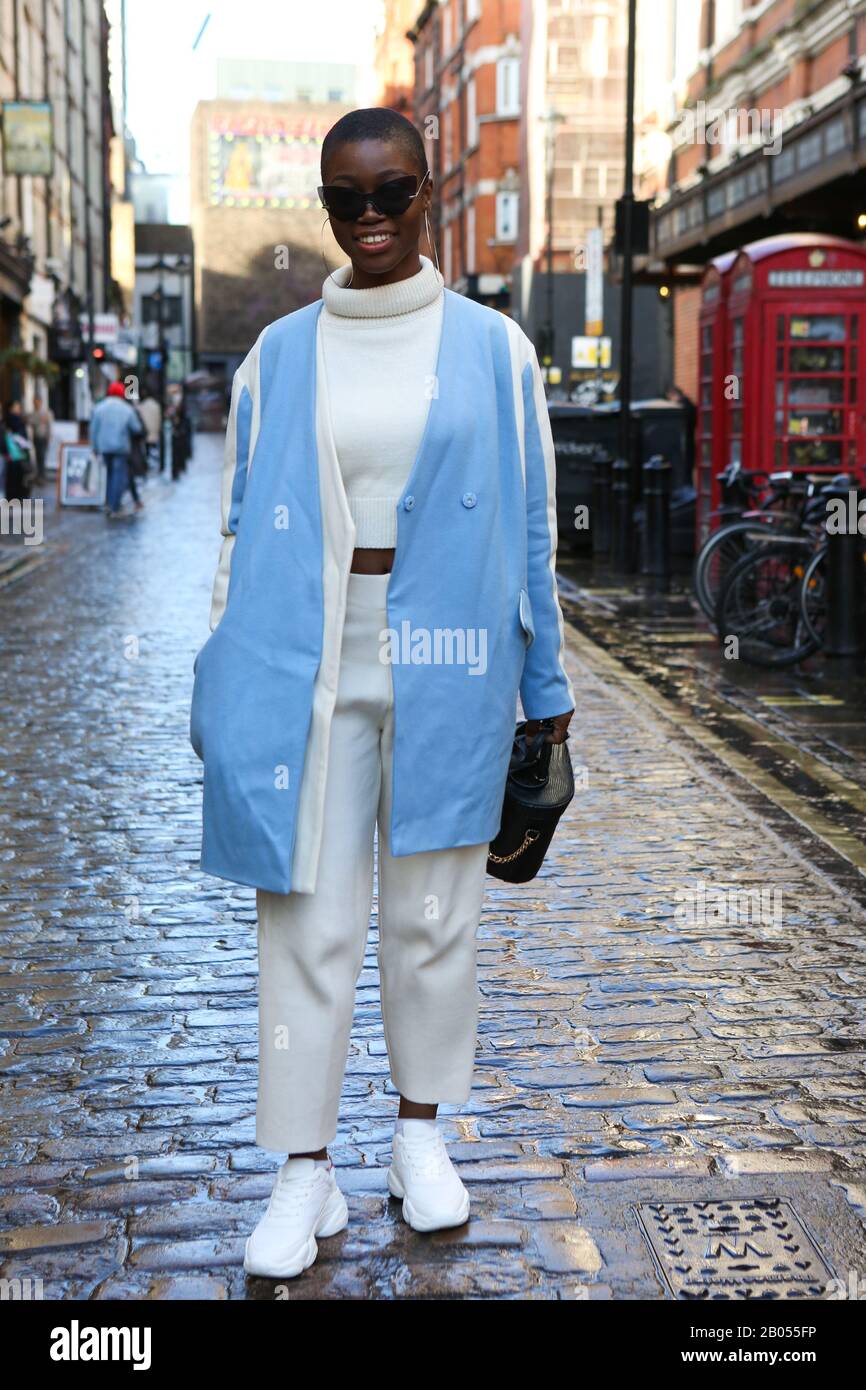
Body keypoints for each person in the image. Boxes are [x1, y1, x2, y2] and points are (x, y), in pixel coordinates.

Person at [189, 107, 575, 1282]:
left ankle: (418, 1138)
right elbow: (235, 524)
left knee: (430, 917)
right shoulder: (277, 357)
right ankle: (304, 1166)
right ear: (324, 206)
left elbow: (530, 531)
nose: (368, 218)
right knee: (302, 918)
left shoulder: (495, 351)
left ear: (427, 196)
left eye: (390, 193)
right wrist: (215, 673)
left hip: (455, 654)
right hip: (300, 655)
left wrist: (545, 692)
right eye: (344, 199)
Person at [90, 381, 145, 519]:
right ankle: (114, 506)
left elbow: (93, 430)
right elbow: (136, 428)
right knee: (118, 477)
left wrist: (95, 447)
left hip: (104, 447)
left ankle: (109, 503)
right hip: (120, 447)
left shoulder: (99, 408)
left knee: (109, 475)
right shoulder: (127, 409)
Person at [2, 403, 35, 501]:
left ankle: (12, 498)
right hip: (18, 454)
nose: (18, 410)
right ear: (11, 409)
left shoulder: (6, 421)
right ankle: (19, 497)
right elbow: (24, 439)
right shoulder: (18, 421)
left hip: (11, 455)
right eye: (16, 408)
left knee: (11, 479)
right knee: (20, 479)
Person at [27, 395, 54, 485]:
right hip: (36, 437)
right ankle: (39, 475)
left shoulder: (46, 412)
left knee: (42, 456)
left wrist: (49, 436)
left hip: (43, 437)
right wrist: (39, 420)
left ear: (41, 402)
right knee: (38, 456)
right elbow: (30, 421)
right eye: (35, 402)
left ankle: (42, 476)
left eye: (37, 402)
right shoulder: (33, 413)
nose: (36, 404)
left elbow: (49, 425)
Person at [137, 390, 162, 467]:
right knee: (153, 451)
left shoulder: (142, 406)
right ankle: (152, 465)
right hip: (154, 433)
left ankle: (147, 466)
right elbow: (159, 420)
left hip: (145, 433)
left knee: (146, 451)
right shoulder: (156, 406)